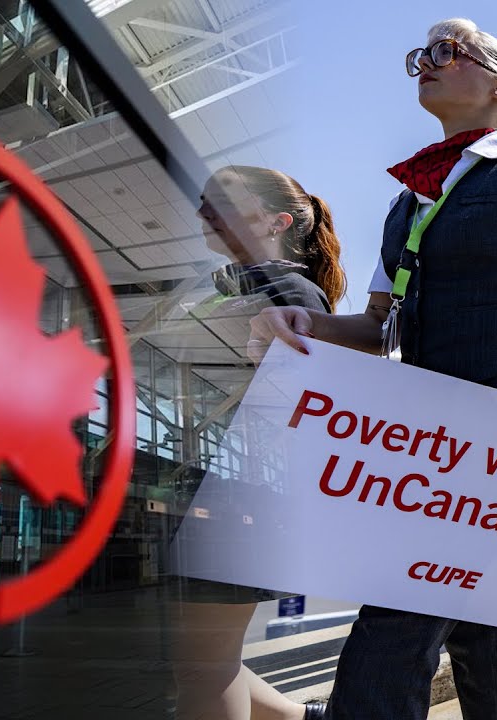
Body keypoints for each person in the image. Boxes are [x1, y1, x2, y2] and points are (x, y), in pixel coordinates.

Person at [249, 18, 497, 720]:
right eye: (422, 54)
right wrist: (309, 325)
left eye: (447, 51)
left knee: (401, 609)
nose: (426, 62)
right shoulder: (408, 204)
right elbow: (377, 326)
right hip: (432, 424)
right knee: (482, 625)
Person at [172, 165, 346, 720]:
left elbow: (302, 405)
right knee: (203, 659)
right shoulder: (239, 288)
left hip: (236, 496)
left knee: (205, 664)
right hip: (220, 489)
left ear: (278, 222)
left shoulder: (289, 293)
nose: (205, 211)